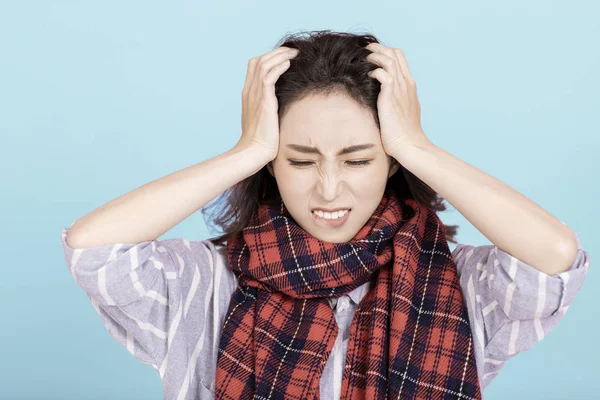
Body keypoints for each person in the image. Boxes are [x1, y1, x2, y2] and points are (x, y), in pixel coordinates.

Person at [59, 30, 590, 400]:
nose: (329, 188)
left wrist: (417, 146)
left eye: (359, 159)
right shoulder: (206, 282)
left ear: (391, 163)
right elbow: (94, 250)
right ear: (272, 162)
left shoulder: (456, 284)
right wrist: (244, 152)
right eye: (299, 159)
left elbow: (552, 259)